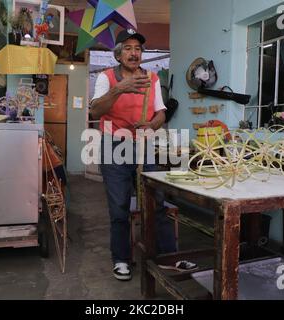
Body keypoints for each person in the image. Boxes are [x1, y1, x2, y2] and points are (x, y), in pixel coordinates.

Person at [90, 29, 196, 281]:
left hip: (143, 145)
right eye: (127, 48)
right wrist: (119, 89)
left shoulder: (153, 78)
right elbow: (95, 111)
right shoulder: (106, 78)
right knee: (119, 207)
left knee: (156, 202)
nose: (133, 52)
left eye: (137, 48)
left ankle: (169, 258)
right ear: (118, 55)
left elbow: (160, 113)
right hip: (113, 146)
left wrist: (152, 125)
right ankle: (121, 259)